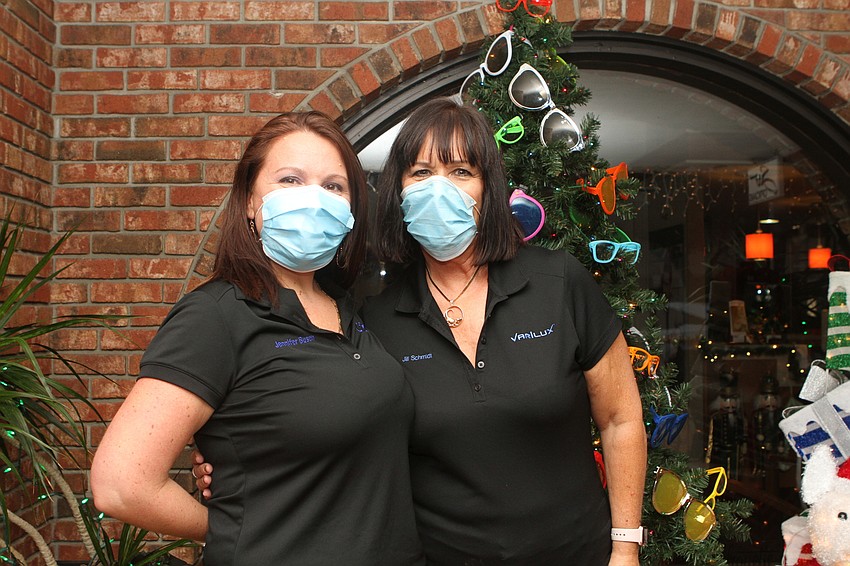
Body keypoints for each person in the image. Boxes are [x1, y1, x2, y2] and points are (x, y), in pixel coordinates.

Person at [194, 97, 647, 565]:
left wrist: (625, 545)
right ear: (398, 191)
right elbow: (339, 426)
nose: (440, 190)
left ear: (489, 190)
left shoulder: (558, 282)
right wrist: (233, 463)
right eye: (422, 173)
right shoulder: (372, 318)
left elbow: (621, 418)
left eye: (462, 172)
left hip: (579, 554)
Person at [90, 111, 425, 565]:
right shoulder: (215, 315)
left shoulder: (350, 310)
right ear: (250, 201)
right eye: (290, 180)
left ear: (350, 210)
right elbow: (120, 483)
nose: (314, 199)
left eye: (334, 186)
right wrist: (237, 527)